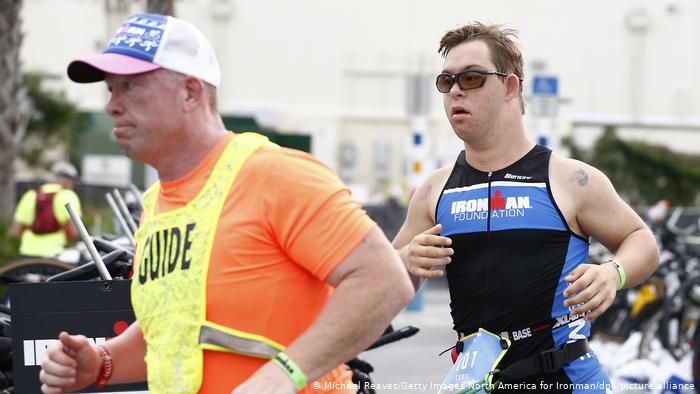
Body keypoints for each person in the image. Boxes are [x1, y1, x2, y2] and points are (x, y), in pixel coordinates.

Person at [39, 13, 414, 394]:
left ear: (190, 92)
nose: (112, 106)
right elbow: (173, 330)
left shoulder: (273, 174)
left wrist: (282, 376)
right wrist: (102, 362)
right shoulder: (156, 203)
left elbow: (383, 281)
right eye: (111, 89)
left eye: (130, 87)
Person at [393, 22, 659, 392]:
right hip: (475, 383)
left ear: (510, 86)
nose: (455, 91)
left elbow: (641, 241)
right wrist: (405, 259)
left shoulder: (570, 179)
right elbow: (382, 280)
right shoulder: (434, 190)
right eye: (446, 81)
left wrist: (613, 273)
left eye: (471, 78)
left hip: (565, 379)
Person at [11, 161, 81, 257]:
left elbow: (15, 232)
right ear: (69, 180)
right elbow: (76, 232)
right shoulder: (68, 195)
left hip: (28, 254)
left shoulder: (30, 195)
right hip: (56, 254)